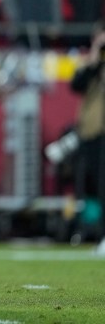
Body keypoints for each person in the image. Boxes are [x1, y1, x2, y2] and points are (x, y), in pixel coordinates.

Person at [67, 24, 105, 255]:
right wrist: (94, 58)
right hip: (92, 132)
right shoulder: (90, 65)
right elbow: (76, 85)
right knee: (95, 188)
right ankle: (99, 235)